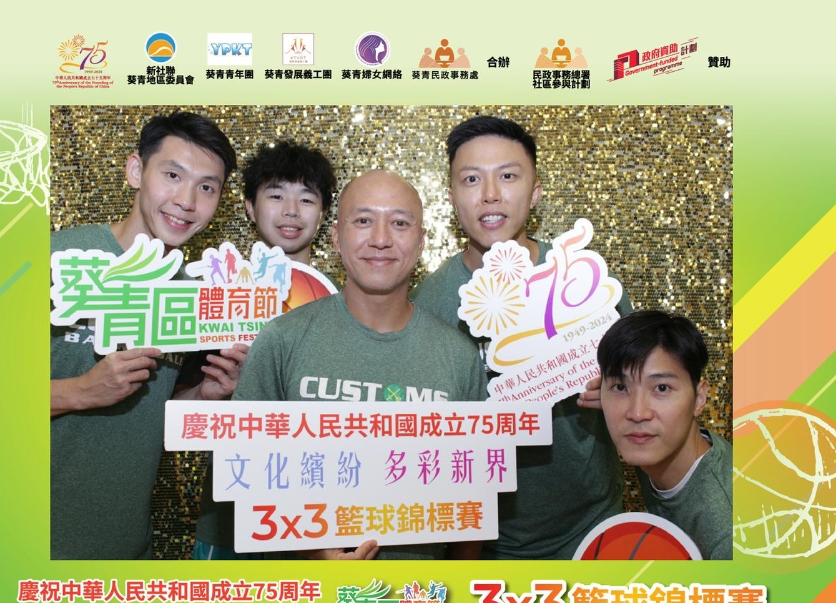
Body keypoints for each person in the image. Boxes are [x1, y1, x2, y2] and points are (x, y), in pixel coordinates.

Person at [195, 170, 487, 560]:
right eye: (363, 220)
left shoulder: (459, 356)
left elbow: (476, 495)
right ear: (335, 236)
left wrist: (455, 586)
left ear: (421, 241)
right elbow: (241, 474)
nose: (380, 239)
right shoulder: (283, 338)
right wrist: (310, 553)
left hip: (415, 588)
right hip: (301, 588)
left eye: (400, 223)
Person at [413, 115, 631, 559]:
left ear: (535, 192)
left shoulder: (583, 280)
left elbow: (644, 386)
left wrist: (616, 392)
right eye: (471, 179)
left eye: (508, 176)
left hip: (593, 526)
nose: (490, 194)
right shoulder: (426, 304)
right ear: (452, 197)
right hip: (478, 540)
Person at [50, 111, 243, 559]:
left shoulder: (193, 295)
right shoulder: (57, 259)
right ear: (136, 171)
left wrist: (204, 395)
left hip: (123, 547)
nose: (187, 201)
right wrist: (80, 391)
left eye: (207, 187)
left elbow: (157, 413)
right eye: (173, 175)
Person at [192, 140, 337, 560]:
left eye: (306, 199)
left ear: (323, 214)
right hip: (231, 513)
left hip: (319, 514)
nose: (291, 211)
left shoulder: (344, 302)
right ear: (250, 209)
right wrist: (220, 392)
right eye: (275, 196)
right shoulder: (215, 298)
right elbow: (177, 407)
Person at [597, 310, 732, 560]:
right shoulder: (661, 448)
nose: (638, 413)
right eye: (620, 387)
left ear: (699, 398)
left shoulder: (725, 530)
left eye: (661, 388)